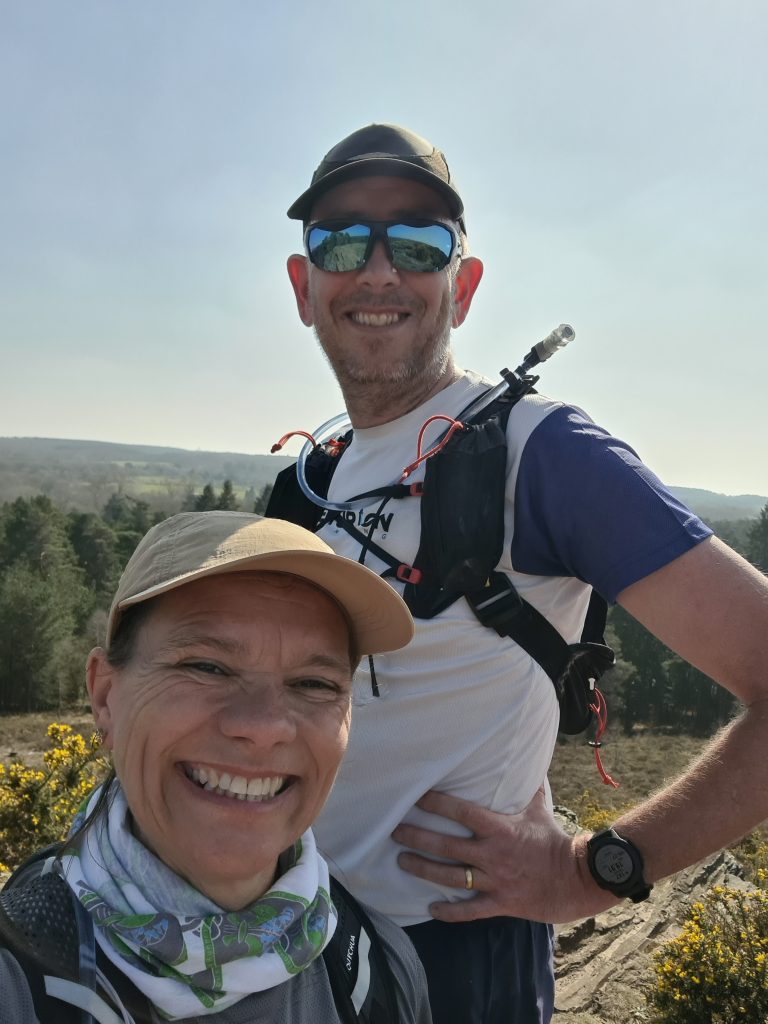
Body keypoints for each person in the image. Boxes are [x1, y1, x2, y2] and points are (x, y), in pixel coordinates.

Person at [267, 122, 768, 1023]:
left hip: (457, 966)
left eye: (417, 242)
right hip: (287, 949)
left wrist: (595, 869)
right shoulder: (309, 481)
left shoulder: (544, 453)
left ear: (462, 286)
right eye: (341, 242)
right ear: (305, 287)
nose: (377, 271)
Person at [0, 511, 433, 1024]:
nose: (264, 726)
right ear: (105, 697)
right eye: (206, 667)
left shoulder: (378, 970)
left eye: (313, 683)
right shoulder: (17, 978)